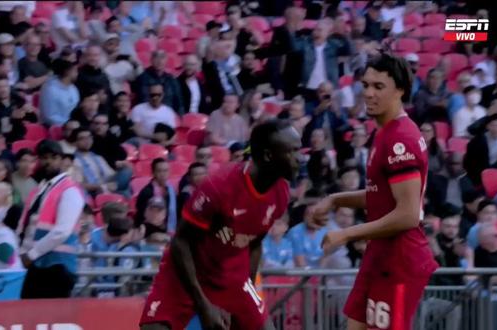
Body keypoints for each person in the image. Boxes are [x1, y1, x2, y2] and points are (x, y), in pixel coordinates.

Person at [309, 53, 438, 330]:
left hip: (399, 259)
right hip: (380, 253)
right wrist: (335, 199)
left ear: (400, 90)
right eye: (365, 85)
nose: (368, 93)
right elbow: (381, 196)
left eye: (378, 87)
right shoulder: (385, 133)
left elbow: (407, 215)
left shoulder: (400, 139)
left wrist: (346, 233)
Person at [139, 120, 301, 330]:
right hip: (186, 274)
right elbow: (180, 242)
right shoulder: (219, 187)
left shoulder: (281, 192)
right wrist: (203, 304)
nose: (301, 158)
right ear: (269, 156)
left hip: (232, 276)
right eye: (293, 151)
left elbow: (255, 242)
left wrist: (244, 294)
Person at [18, 140, 85, 299]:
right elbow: (28, 227)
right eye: (44, 158)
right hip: (37, 264)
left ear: (61, 160)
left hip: (58, 266)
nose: (48, 162)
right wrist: (23, 253)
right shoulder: (39, 190)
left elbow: (62, 232)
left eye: (53, 158)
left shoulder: (69, 190)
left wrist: (30, 254)